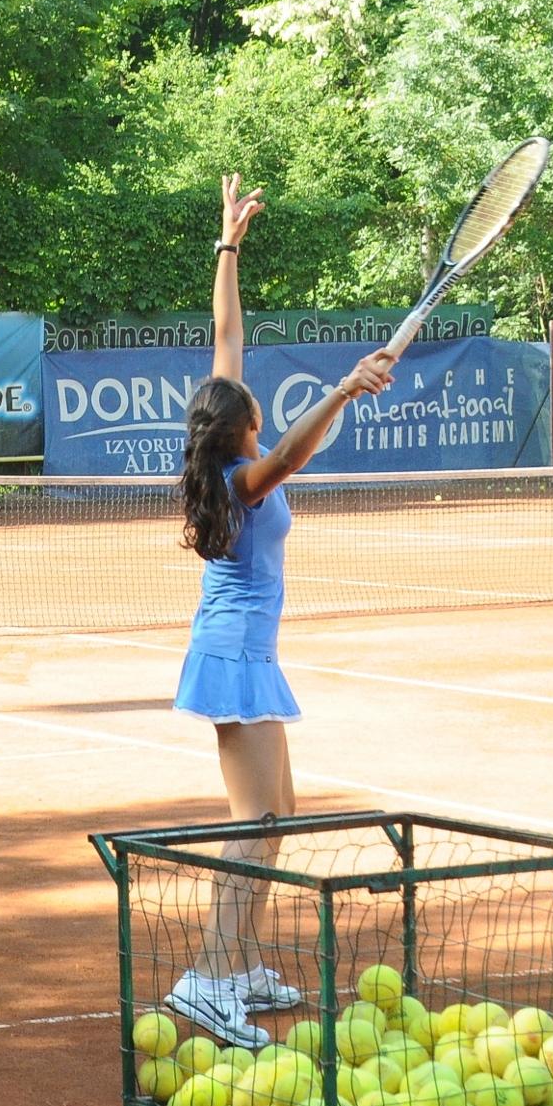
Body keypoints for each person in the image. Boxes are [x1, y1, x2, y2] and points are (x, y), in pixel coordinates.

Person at [163, 176, 396, 1048]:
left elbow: (226, 335)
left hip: (240, 654)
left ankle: (241, 960)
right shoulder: (245, 473)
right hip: (233, 656)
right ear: (243, 424)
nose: (249, 386)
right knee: (253, 827)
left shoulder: (221, 441)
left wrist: (228, 244)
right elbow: (297, 448)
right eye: (251, 395)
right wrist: (343, 390)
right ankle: (206, 979)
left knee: (280, 815)